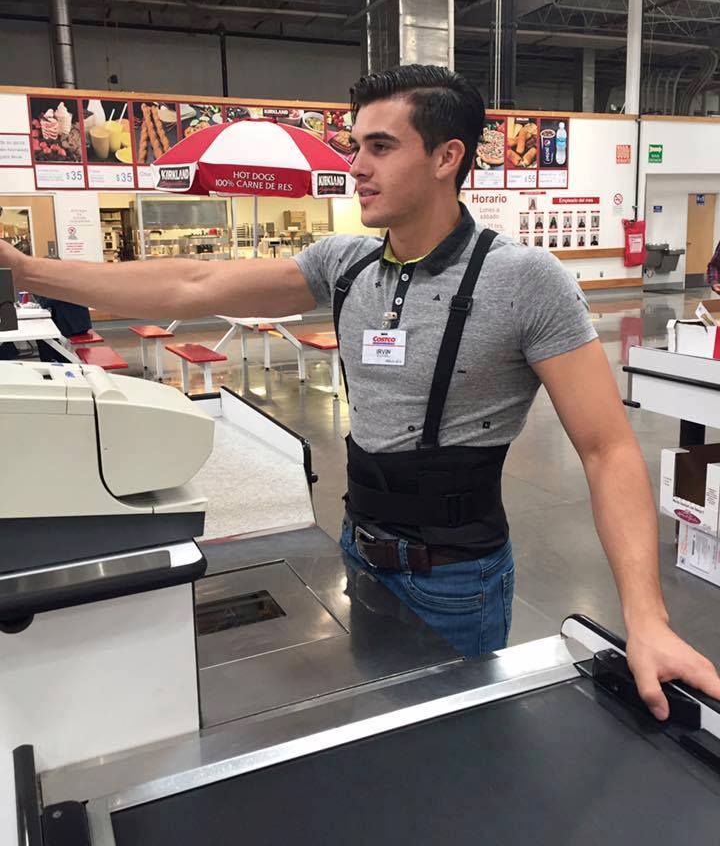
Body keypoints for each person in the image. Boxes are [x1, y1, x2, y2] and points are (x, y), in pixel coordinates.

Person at [1, 64, 718, 722]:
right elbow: (194, 282)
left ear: (447, 158)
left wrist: (646, 617)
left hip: (456, 579)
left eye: (380, 147)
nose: (355, 167)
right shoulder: (344, 264)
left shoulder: (526, 280)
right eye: (354, 146)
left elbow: (606, 447)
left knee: (460, 754)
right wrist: (28, 269)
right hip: (360, 549)